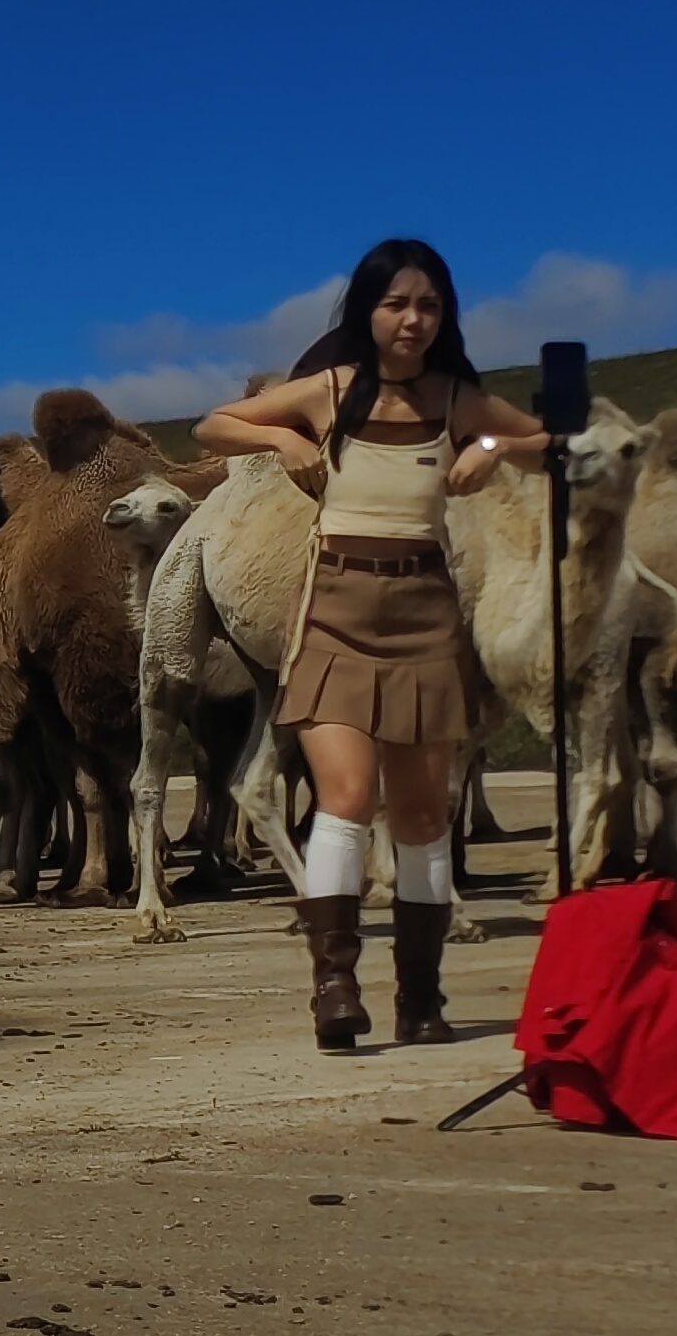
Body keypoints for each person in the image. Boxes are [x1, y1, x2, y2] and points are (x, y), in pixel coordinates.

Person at [196, 240, 546, 1049]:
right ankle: (335, 987)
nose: (413, 319)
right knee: (348, 797)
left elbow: (545, 443)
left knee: (424, 812)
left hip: (424, 610)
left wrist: (489, 450)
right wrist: (281, 441)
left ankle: (421, 1000)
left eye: (428, 305)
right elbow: (213, 425)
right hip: (336, 610)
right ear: (368, 312)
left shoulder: (456, 398)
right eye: (397, 304)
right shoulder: (331, 391)